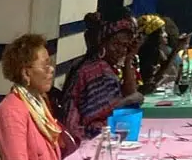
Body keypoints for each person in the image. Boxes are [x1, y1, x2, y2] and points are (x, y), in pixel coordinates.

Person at [0, 34, 71, 160]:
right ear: (26, 73)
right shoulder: (11, 111)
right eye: (45, 65)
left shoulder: (39, 101)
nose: (51, 70)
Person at [61, 12, 143, 144]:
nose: (121, 50)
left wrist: (128, 59)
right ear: (103, 43)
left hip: (96, 136)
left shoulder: (96, 64)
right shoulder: (97, 70)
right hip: (87, 139)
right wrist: (131, 99)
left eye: (125, 46)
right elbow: (102, 115)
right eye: (116, 44)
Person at [136, 14, 189, 94]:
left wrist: (177, 49)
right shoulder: (144, 55)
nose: (166, 35)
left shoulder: (158, 51)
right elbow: (146, 87)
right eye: (162, 31)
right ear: (153, 34)